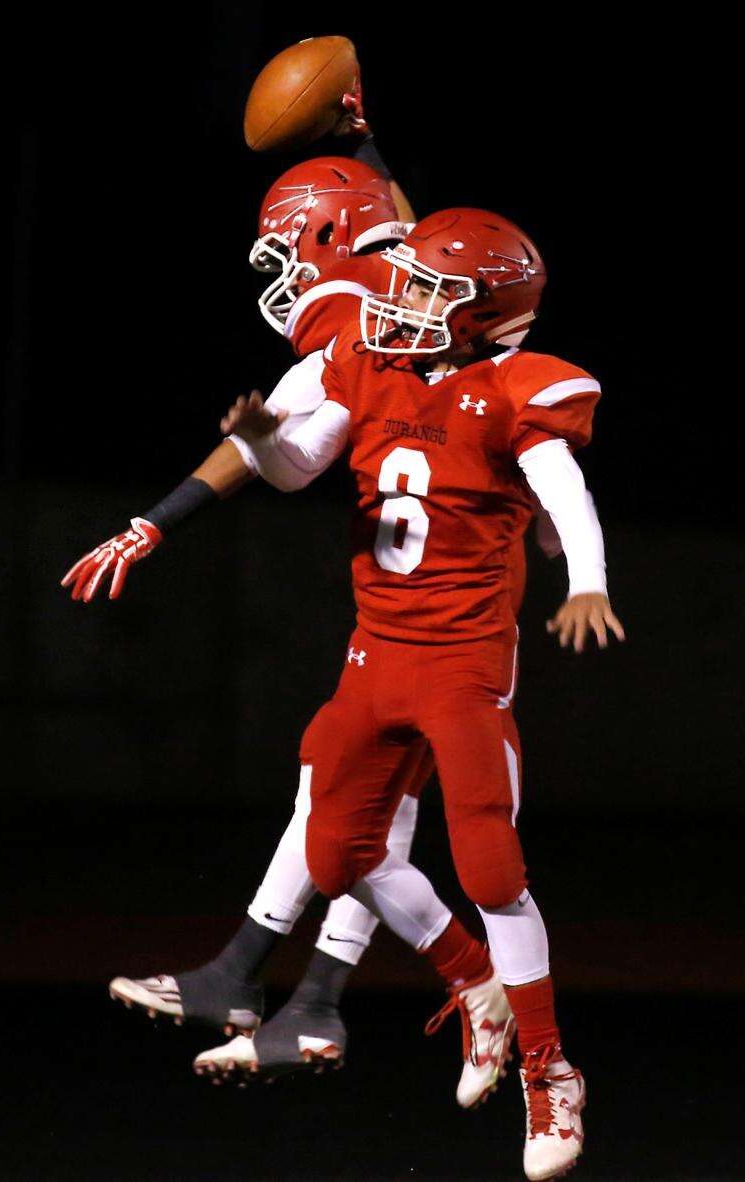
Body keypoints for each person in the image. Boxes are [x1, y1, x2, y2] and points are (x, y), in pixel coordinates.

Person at [62, 151, 520, 1105]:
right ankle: (300, 996)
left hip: (453, 614)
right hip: (416, 598)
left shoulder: (356, 317)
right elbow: (405, 229)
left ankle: (434, 986)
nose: (284, 273)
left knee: (359, 809)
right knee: (357, 804)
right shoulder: (409, 285)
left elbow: (268, 448)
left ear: (328, 237)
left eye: (289, 250)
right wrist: (363, 136)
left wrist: (156, 521)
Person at [214, 207, 624, 1181]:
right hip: (376, 654)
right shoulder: (373, 369)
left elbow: (561, 489)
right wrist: (261, 440)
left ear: (483, 311)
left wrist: (587, 581)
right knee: (334, 851)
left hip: (463, 663)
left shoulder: (512, 388)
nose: (400, 299)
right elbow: (296, 468)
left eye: (430, 289)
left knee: (490, 868)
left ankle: (548, 1069)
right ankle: (475, 984)